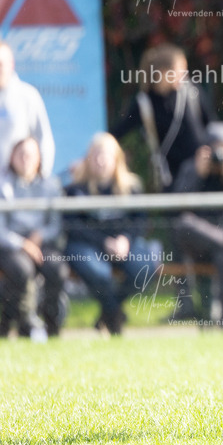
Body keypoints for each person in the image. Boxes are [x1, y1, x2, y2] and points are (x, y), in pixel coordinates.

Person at [170, 122, 223, 327]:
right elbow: (175, 205)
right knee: (184, 224)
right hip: (202, 239)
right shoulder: (192, 167)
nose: (218, 153)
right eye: (214, 147)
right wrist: (197, 174)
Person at [63, 133, 153, 335]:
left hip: (124, 246)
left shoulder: (132, 187)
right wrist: (104, 242)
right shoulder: (75, 189)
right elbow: (73, 227)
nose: (100, 161)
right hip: (87, 246)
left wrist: (125, 240)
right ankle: (115, 316)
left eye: (105, 155)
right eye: (95, 155)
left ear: (116, 159)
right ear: (88, 159)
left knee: (145, 266)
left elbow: (141, 221)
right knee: (100, 274)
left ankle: (109, 312)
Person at [111, 43, 216, 190]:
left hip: (201, 171)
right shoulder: (145, 103)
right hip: (172, 179)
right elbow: (117, 133)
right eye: (180, 70)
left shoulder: (191, 91)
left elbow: (212, 125)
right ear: (163, 72)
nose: (184, 75)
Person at [0, 137, 65, 338]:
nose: (25, 159)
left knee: (57, 269)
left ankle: (52, 327)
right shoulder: (3, 185)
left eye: (30, 154)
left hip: (42, 244)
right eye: (21, 154)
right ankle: (13, 324)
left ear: (39, 158)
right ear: (12, 157)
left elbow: (56, 224)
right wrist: (23, 244)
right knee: (22, 270)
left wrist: (40, 235)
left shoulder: (51, 185)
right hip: (11, 246)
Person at [0, 40, 55, 176]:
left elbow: (44, 138)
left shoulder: (27, 96)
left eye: (0, 64)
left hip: (18, 187)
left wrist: (42, 175)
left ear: (11, 64)